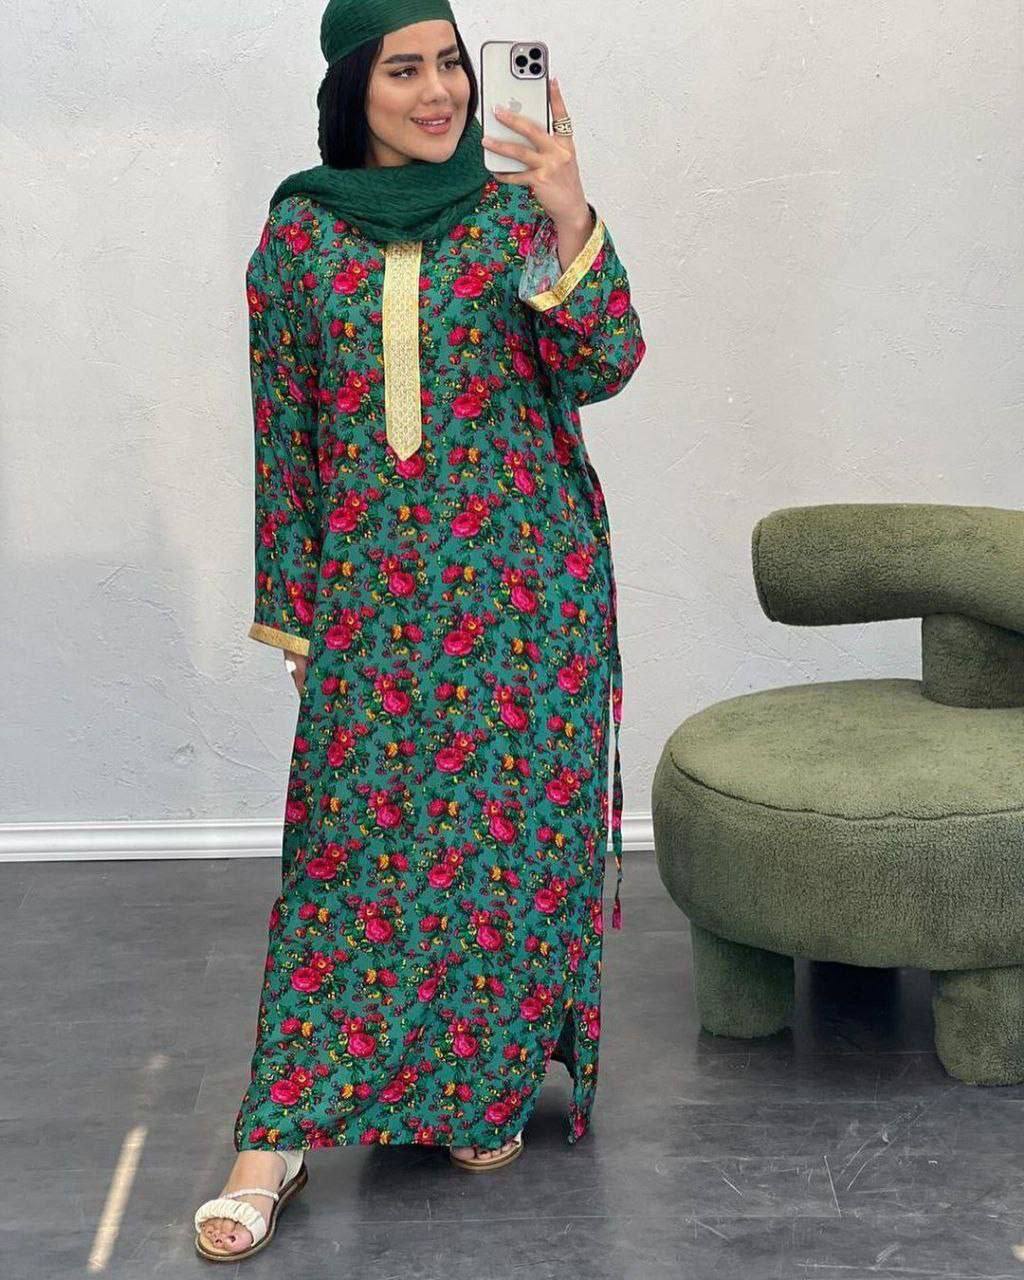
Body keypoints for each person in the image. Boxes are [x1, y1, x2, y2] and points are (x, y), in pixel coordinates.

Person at [194, 0, 646, 1261]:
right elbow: (284, 437)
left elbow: (605, 363)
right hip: (379, 597)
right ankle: (272, 1137)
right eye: (405, 69)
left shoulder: (513, 212)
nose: (439, 91)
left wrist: (570, 214)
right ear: (355, 85)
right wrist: (295, 613)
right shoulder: (298, 236)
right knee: (348, 858)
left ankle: (477, 1089)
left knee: (503, 850)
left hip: (527, 592)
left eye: (451, 62)